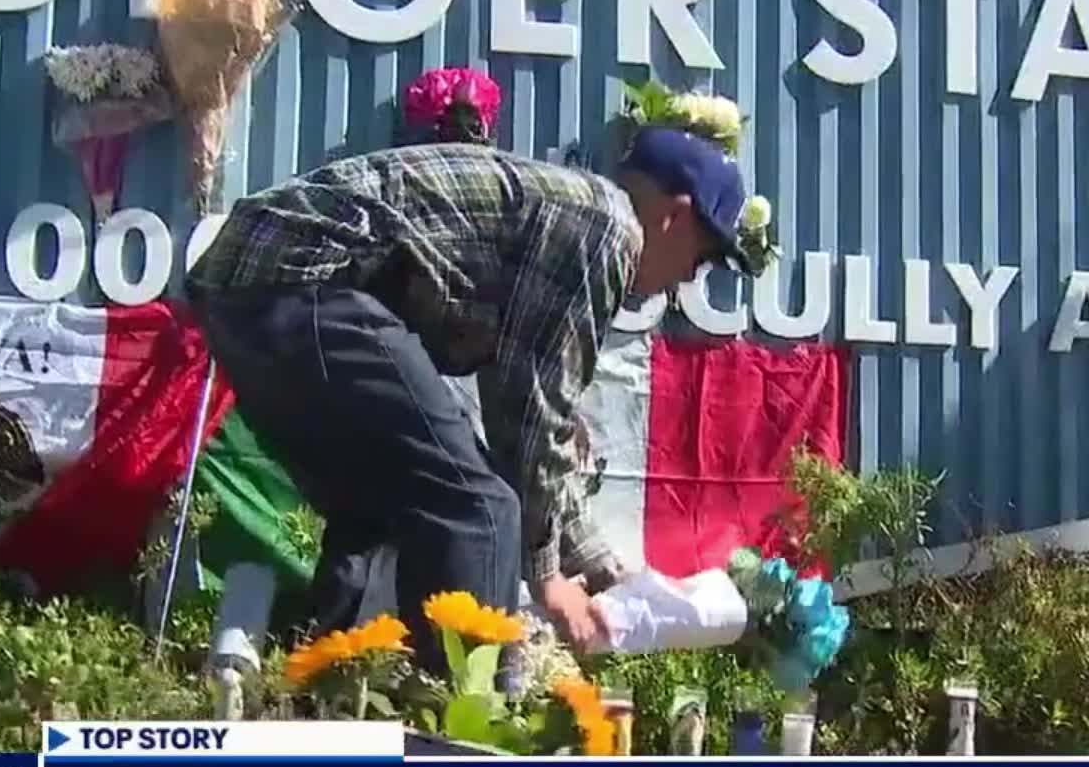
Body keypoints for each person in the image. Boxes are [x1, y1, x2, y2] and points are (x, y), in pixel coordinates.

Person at [186, 127, 761, 657]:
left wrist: (603, 570)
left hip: (243, 285)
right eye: (704, 259)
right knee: (481, 508)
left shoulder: (568, 215)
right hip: (301, 275)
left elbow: (525, 424)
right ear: (675, 219)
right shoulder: (606, 226)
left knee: (381, 508)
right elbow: (532, 414)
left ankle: (336, 689)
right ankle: (460, 722)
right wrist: (548, 576)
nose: (691, 279)